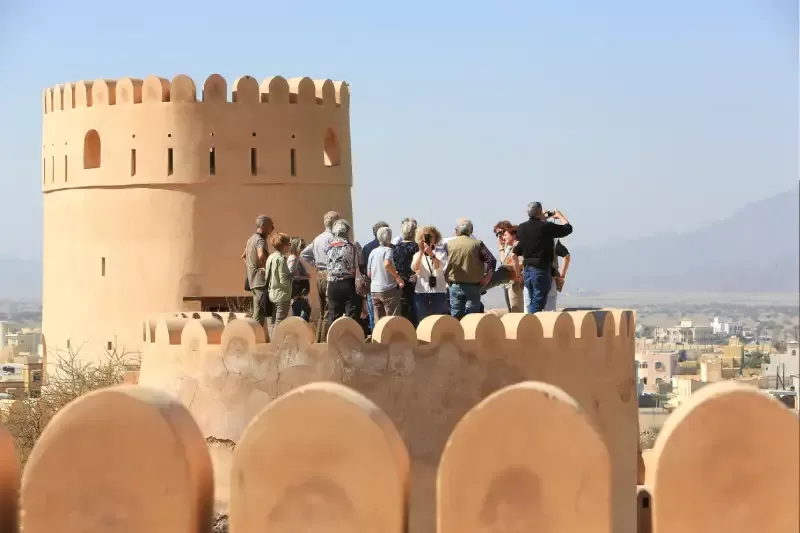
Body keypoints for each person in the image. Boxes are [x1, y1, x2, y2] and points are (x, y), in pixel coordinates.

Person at [514, 202, 573, 313]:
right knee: (538, 303)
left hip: (527, 271)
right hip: (541, 270)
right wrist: (559, 215)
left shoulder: (521, 227)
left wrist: (541, 217)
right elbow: (568, 229)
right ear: (540, 212)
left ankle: (529, 324)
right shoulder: (546, 227)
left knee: (531, 301)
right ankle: (530, 324)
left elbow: (531, 237)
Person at [443, 219, 496, 319]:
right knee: (472, 317)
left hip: (454, 284)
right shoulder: (478, 244)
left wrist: (446, 278)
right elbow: (492, 260)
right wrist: (487, 278)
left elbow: (442, 262)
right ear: (471, 231)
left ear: (456, 231)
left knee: (456, 315)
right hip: (473, 286)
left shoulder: (448, 244)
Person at [301, 211, 341, 342]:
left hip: (320, 276)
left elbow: (304, 254)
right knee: (329, 310)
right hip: (330, 276)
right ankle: (325, 341)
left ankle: (319, 339)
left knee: (322, 312)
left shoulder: (318, 238)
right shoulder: (333, 238)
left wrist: (316, 265)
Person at [324, 219, 360, 326]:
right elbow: (358, 265)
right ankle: (350, 337)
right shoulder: (352, 246)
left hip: (332, 284)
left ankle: (333, 338)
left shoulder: (329, 247)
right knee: (351, 314)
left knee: (334, 314)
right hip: (347, 283)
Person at [242, 215, 274, 328]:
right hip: (260, 281)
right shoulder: (260, 240)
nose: (272, 228)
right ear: (263, 226)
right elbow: (261, 255)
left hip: (253, 280)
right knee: (262, 312)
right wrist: (267, 268)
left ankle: (254, 336)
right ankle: (256, 336)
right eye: (271, 226)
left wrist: (251, 269)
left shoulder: (250, 240)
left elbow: (244, 256)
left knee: (257, 311)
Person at [411, 225, 448, 321]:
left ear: (435, 238)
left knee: (438, 320)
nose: (428, 239)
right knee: (422, 320)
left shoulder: (441, 252)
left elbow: (439, 266)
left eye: (431, 236)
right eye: (425, 237)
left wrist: (431, 254)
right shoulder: (417, 254)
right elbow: (415, 268)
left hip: (438, 291)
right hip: (421, 291)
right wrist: (421, 252)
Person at [367, 227, 404, 320]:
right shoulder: (388, 250)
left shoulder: (372, 252)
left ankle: (378, 334)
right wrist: (397, 277)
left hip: (375, 289)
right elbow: (387, 264)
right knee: (393, 319)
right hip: (388, 288)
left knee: (379, 320)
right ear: (389, 237)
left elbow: (369, 273)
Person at [360, 220, 390, 332]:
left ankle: (375, 335)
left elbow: (362, 266)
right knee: (389, 314)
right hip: (389, 285)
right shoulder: (391, 247)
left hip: (372, 285)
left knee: (374, 314)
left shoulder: (367, 247)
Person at [392, 219, 420, 325]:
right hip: (414, 282)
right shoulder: (416, 247)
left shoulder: (396, 247)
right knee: (413, 309)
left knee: (404, 307)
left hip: (401, 281)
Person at [494, 221, 524, 313]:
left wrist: (501, 248)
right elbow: (504, 263)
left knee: (516, 310)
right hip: (509, 282)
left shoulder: (517, 246)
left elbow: (508, 264)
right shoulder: (508, 246)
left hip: (516, 282)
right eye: (497, 235)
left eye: (501, 233)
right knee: (512, 310)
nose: (500, 237)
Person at [265, 233, 292, 333]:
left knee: (272, 323)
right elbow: (283, 280)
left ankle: (272, 344)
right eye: (288, 244)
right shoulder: (281, 259)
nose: (289, 247)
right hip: (282, 295)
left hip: (272, 294)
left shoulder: (270, 257)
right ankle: (276, 345)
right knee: (280, 323)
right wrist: (292, 276)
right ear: (283, 245)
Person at [287, 237, 312, 321]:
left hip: (299, 291)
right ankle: (301, 328)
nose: (303, 248)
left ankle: (296, 330)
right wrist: (305, 277)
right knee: (306, 310)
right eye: (301, 246)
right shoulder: (293, 259)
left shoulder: (296, 258)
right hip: (297, 292)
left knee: (296, 312)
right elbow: (290, 275)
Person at [544, 240, 571, 312]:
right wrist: (562, 276)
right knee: (550, 311)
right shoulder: (554, 241)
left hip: (532, 278)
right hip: (550, 278)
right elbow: (567, 256)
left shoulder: (529, 238)